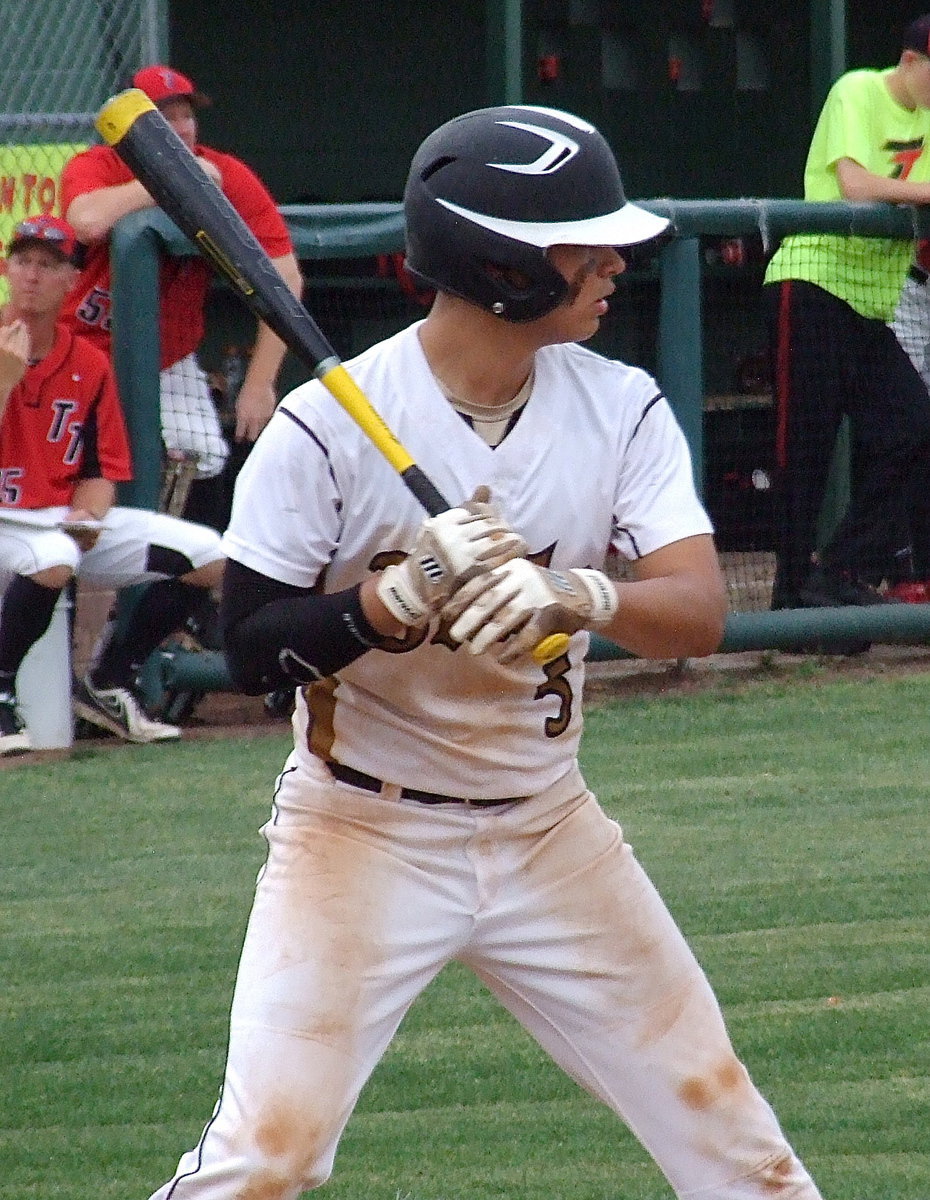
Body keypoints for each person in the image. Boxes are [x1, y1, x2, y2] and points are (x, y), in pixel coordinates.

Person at [146, 107, 823, 1200]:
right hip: (359, 833)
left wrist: (581, 591)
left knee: (740, 1149)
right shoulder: (323, 428)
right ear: (500, 263)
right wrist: (391, 599)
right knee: (266, 1159)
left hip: (551, 830)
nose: (612, 264)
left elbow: (698, 610)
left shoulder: (621, 404)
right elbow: (249, 652)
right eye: (583, 244)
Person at [0, 215, 224, 755]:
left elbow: (101, 470)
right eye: (23, 261)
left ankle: (111, 678)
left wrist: (91, 517)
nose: (32, 275)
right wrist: (7, 377)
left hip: (56, 518)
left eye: (48, 265)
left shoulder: (88, 363)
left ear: (70, 281)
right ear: (7, 270)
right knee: (53, 556)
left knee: (215, 557)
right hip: (8, 522)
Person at [60, 63, 303, 528]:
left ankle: (174, 589)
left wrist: (259, 382)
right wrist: (168, 180)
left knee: (206, 457)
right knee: (78, 468)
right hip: (84, 352)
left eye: (187, 114)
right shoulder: (98, 165)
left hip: (166, 362)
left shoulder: (226, 174)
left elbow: (285, 278)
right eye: (164, 117)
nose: (182, 128)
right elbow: (87, 220)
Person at [763, 13, 930, 611]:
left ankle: (839, 570)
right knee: (803, 445)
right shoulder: (858, 88)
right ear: (911, 62)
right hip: (813, 283)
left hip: (872, 305)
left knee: (914, 426)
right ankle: (789, 588)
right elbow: (856, 184)